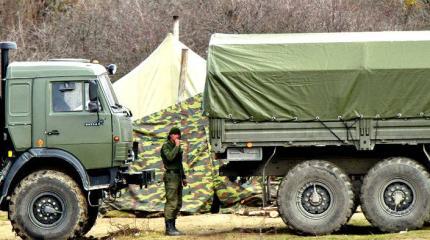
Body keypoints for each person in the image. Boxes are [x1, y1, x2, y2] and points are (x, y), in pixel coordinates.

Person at [161, 127, 187, 236]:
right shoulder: (166, 146)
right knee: (172, 202)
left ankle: (173, 226)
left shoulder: (177, 146)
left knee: (178, 203)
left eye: (178, 135)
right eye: (175, 134)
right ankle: (168, 229)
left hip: (178, 175)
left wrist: (184, 177)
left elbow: (179, 163)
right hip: (171, 176)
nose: (178, 136)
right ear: (171, 135)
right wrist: (176, 146)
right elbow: (170, 158)